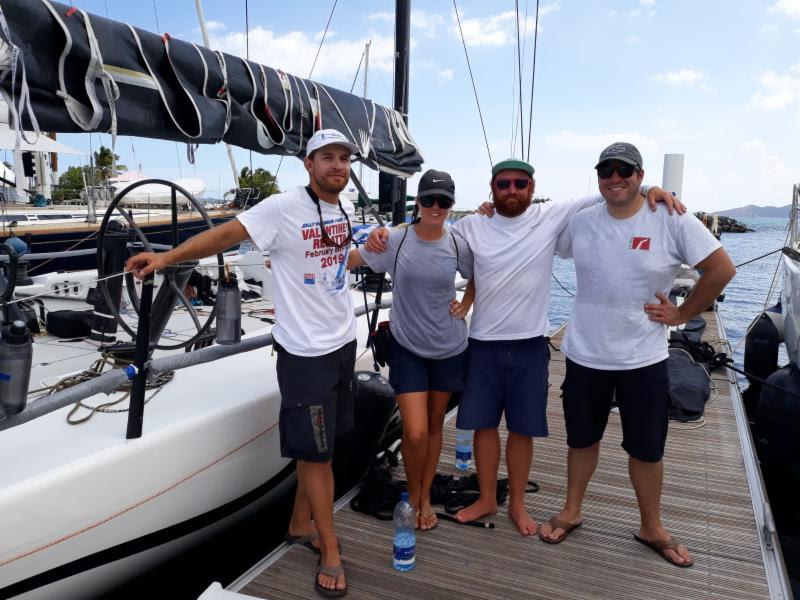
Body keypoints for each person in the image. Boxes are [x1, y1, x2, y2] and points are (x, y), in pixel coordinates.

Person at [366, 158, 683, 536]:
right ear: (492, 189)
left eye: (519, 183)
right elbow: (429, 234)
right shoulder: (470, 225)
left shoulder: (549, 216)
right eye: (503, 184)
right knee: (483, 426)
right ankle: (485, 497)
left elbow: (610, 192)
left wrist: (651, 190)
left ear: (531, 188)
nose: (511, 190)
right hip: (483, 343)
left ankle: (517, 503)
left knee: (522, 429)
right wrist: (382, 234)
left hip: (531, 344)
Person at [126, 128, 359, 597]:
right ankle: (331, 551)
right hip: (305, 354)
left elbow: (337, 261)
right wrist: (168, 257)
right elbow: (223, 236)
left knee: (322, 447)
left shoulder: (345, 209)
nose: (337, 165)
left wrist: (372, 251)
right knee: (318, 456)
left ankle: (299, 523)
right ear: (309, 164)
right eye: (327, 158)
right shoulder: (280, 208)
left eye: (343, 158)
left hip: (343, 342)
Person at [538, 142, 735, 568]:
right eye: (606, 170)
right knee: (581, 439)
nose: (614, 178)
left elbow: (721, 269)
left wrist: (682, 312)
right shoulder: (582, 222)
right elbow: (534, 230)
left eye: (624, 170)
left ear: (640, 175)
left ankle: (651, 525)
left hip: (642, 359)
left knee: (647, 449)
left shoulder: (670, 218)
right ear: (598, 177)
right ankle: (572, 510)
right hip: (585, 354)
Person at [348, 169, 474, 531]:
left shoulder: (457, 244)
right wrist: (302, 262)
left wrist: (466, 302)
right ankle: (417, 493)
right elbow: (352, 260)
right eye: (429, 200)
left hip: (449, 346)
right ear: (417, 202)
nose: (436, 207)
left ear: (451, 205)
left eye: (444, 201)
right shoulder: (396, 241)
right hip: (408, 348)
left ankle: (420, 498)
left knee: (435, 425)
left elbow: (479, 274)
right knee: (415, 432)